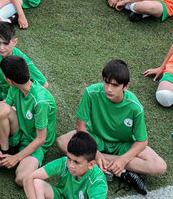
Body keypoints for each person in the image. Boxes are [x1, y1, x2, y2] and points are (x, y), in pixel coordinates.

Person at [57, 59, 166, 194]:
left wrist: (123, 159)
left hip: (123, 144)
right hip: (94, 139)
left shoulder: (135, 107)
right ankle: (121, 171)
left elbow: (142, 141)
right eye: (106, 82)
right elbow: (80, 126)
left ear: (125, 86)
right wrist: (96, 153)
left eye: (115, 85)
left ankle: (100, 165)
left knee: (159, 166)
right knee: (62, 142)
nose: (108, 89)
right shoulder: (91, 93)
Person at [0, 55, 57, 187]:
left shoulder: (41, 102)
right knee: (2, 108)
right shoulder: (15, 87)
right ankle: (4, 153)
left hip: (35, 142)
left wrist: (16, 158)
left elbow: (41, 139)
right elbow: (1, 112)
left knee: (21, 179)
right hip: (20, 129)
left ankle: (16, 155)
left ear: (9, 80)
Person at [24, 131, 108, 199]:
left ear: (91, 164)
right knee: (37, 183)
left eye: (76, 162)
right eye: (69, 158)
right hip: (61, 196)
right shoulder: (64, 163)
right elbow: (29, 178)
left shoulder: (97, 181)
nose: (70, 165)